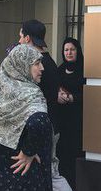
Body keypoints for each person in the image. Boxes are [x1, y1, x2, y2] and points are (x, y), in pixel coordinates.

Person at [0, 44, 53, 191]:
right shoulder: (30, 94)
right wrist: (28, 152)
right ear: (21, 65)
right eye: (37, 63)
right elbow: (39, 122)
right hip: (22, 174)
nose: (42, 68)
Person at [18, 20, 72, 191]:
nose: (19, 41)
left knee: (50, 174)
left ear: (27, 38)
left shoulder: (38, 65)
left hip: (42, 128)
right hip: (50, 126)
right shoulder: (49, 62)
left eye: (20, 36)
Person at [55, 37, 85, 189]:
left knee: (75, 157)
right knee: (62, 158)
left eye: (72, 49)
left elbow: (89, 93)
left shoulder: (84, 70)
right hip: (62, 121)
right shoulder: (59, 70)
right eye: (66, 50)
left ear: (77, 51)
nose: (69, 52)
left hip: (78, 121)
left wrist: (73, 98)